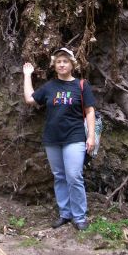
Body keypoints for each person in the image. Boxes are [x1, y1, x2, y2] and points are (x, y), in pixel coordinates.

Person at [22, 47, 96, 231]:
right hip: (52, 138)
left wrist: (92, 136)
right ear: (54, 65)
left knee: (74, 176)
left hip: (75, 137)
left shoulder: (81, 85)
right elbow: (30, 99)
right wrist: (27, 75)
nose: (62, 64)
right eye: (58, 62)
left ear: (72, 64)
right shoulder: (50, 86)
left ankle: (79, 217)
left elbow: (89, 111)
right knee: (60, 176)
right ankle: (65, 214)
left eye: (65, 61)